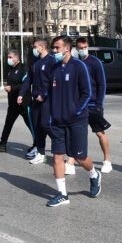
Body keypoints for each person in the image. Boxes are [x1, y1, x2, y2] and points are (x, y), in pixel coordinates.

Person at [44, 36, 102, 207]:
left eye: (57, 48)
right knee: (57, 156)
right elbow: (50, 94)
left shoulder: (79, 66)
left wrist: (75, 112)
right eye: (53, 48)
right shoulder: (54, 68)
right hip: (57, 121)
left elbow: (87, 92)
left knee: (79, 157)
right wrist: (51, 115)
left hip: (76, 120)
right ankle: (62, 194)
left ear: (67, 48)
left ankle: (94, 174)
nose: (54, 51)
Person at [66, 37, 112, 174]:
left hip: (93, 105)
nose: (83, 50)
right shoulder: (75, 63)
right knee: (75, 133)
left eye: (85, 47)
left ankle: (107, 160)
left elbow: (101, 84)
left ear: (88, 46)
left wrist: (99, 104)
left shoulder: (95, 62)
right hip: (79, 105)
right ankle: (71, 162)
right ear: (76, 48)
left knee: (99, 133)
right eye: (80, 48)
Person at [16, 39, 56, 164]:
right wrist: (21, 94)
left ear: (42, 47)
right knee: (37, 127)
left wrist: (44, 95)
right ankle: (41, 153)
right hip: (35, 100)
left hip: (47, 100)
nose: (33, 49)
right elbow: (29, 79)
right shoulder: (35, 62)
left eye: (35, 46)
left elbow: (54, 81)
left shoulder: (52, 61)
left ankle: (62, 146)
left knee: (46, 125)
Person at [0, 50, 30, 154]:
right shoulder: (10, 69)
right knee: (8, 124)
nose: (8, 59)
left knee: (30, 124)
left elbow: (25, 84)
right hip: (12, 103)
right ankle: (2, 143)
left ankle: (37, 145)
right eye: (8, 57)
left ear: (17, 57)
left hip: (23, 103)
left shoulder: (24, 68)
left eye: (10, 57)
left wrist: (12, 88)